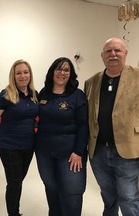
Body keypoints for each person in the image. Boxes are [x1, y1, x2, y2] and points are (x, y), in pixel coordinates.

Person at [84, 37, 139, 216]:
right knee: (108, 195)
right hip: (98, 150)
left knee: (128, 196)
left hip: (127, 149)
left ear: (125, 53)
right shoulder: (91, 82)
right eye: (108, 51)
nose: (113, 54)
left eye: (117, 50)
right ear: (102, 56)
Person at [36, 57, 88, 216]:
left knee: (72, 192)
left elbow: (84, 125)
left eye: (66, 70)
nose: (62, 73)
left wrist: (79, 152)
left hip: (70, 154)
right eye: (58, 69)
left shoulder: (77, 95)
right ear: (52, 72)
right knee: (51, 189)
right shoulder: (44, 93)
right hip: (45, 152)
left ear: (70, 74)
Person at [0, 59, 39, 216]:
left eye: (25, 72)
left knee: (19, 179)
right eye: (18, 73)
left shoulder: (34, 95)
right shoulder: (5, 95)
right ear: (13, 76)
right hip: (9, 145)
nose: (22, 76)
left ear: (30, 74)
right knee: (14, 182)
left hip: (28, 145)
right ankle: (13, 213)